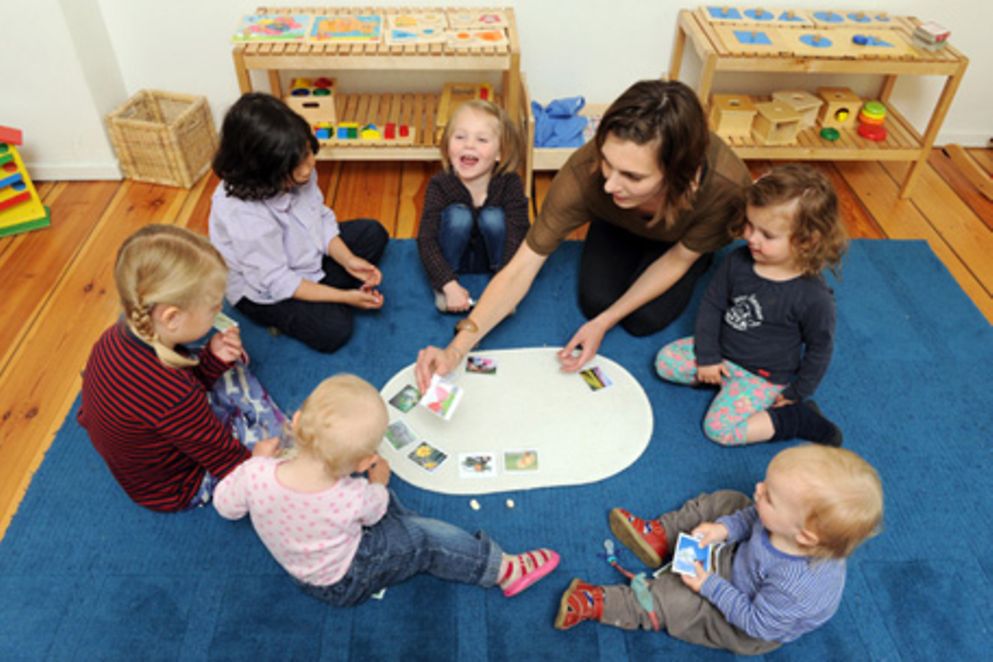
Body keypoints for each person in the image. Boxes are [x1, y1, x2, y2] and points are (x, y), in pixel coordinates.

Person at [414, 79, 751, 391]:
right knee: (595, 302)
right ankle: (619, 225)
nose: (608, 184)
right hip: (618, 223)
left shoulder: (727, 188)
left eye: (632, 176)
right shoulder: (583, 175)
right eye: (606, 161)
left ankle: (699, 252)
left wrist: (605, 323)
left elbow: (679, 258)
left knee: (643, 320)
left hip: (680, 244)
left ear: (681, 175)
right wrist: (456, 350)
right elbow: (521, 266)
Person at [212, 374, 560, 606]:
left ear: (298, 420)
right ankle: (500, 569)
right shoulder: (352, 495)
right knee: (422, 538)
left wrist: (254, 461)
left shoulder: (255, 473)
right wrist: (378, 483)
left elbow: (226, 506)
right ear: (365, 462)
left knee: (400, 525)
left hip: (301, 570)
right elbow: (376, 509)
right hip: (345, 579)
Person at [554, 444, 883, 655]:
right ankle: (659, 536)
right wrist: (724, 529)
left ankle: (607, 603)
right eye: (766, 484)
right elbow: (752, 515)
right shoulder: (785, 525)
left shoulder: (796, 586)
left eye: (769, 495)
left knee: (678, 602)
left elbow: (755, 623)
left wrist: (709, 585)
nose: (758, 488)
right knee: (731, 500)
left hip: (745, 616)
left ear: (806, 537)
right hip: (746, 561)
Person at [79, 225, 280, 512]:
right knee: (276, 449)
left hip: (146, 451)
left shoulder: (116, 335)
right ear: (171, 318)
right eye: (213, 307)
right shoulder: (176, 393)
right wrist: (257, 461)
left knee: (222, 368)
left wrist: (210, 359)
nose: (218, 312)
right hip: (178, 486)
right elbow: (227, 462)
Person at [656, 164, 848, 446]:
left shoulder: (814, 297)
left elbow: (820, 348)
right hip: (722, 355)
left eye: (767, 235)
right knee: (665, 362)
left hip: (762, 377)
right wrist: (709, 356)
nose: (750, 238)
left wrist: (797, 393)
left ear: (807, 241)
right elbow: (712, 305)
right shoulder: (738, 260)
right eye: (749, 225)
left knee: (719, 430)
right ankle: (723, 384)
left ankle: (797, 418)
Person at [209, 92, 389, 354]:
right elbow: (278, 280)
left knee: (373, 233)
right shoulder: (243, 214)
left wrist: (348, 259)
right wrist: (345, 297)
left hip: (303, 255)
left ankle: (324, 293)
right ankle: (320, 301)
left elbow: (319, 217)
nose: (310, 165)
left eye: (307, 153)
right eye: (299, 163)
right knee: (334, 330)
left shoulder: (296, 168)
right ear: (264, 171)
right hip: (264, 290)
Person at [417, 99, 529, 313]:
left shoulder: (510, 183)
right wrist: (447, 284)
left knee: (493, 217)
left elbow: (518, 234)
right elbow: (426, 240)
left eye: (482, 140)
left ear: (499, 154)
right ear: (448, 145)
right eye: (460, 137)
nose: (469, 145)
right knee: (459, 216)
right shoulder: (440, 184)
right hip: (452, 260)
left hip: (493, 260)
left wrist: (506, 283)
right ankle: (444, 288)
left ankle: (504, 286)